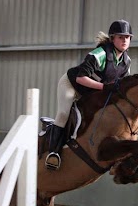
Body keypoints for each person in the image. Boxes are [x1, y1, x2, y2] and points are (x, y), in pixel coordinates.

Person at [45, 19, 133, 170]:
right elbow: (80, 78)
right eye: (120, 37)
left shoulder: (126, 62)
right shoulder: (100, 54)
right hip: (72, 85)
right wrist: (104, 87)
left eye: (127, 37)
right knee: (63, 114)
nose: (124, 40)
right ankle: (53, 153)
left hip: (92, 92)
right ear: (112, 39)